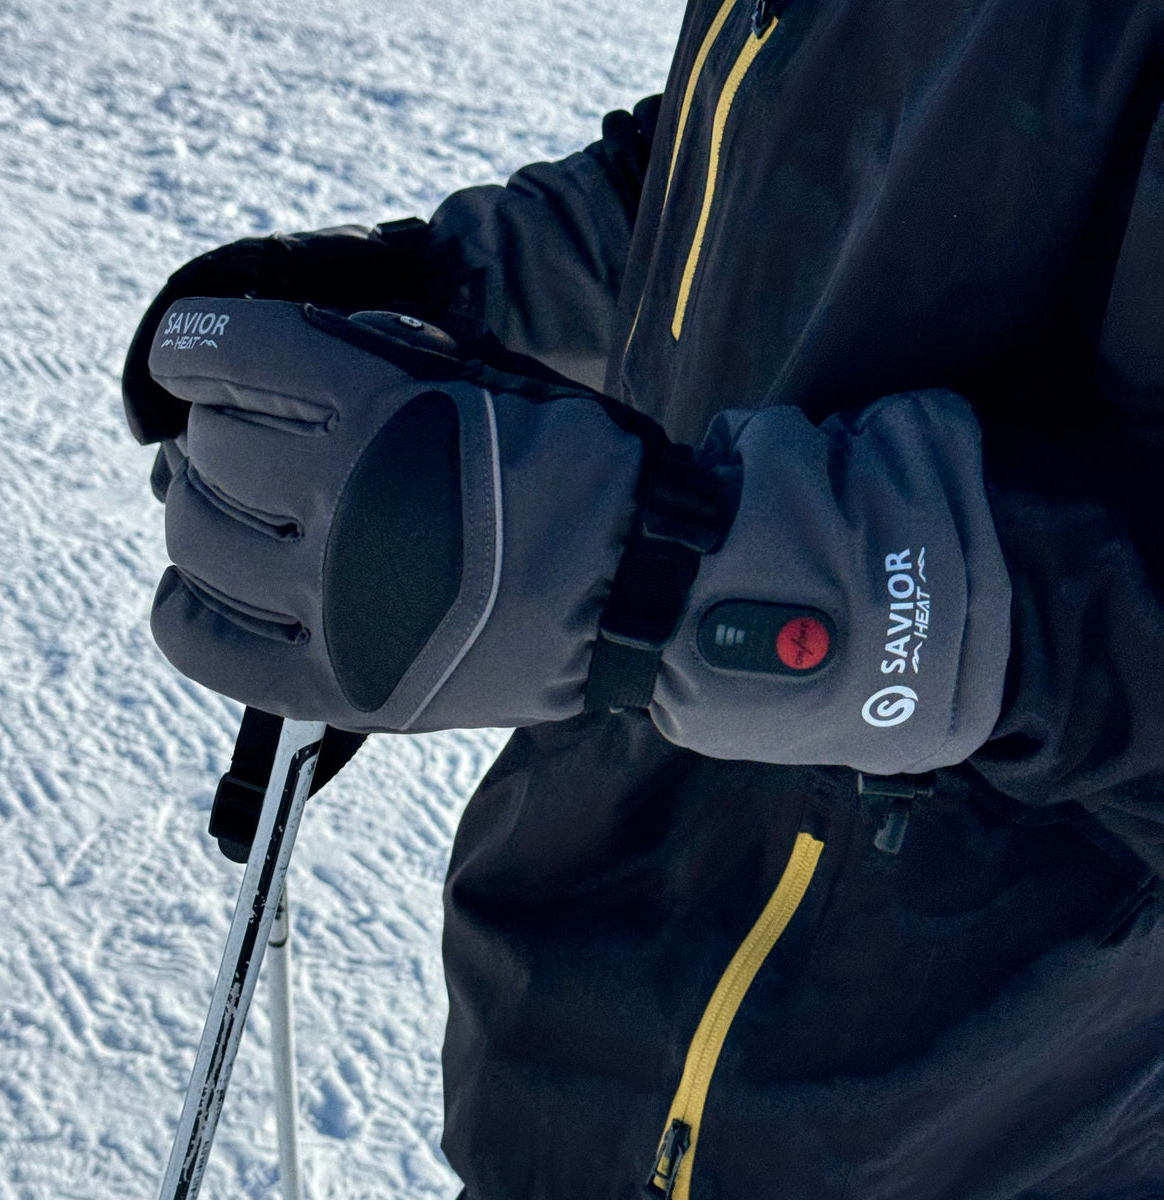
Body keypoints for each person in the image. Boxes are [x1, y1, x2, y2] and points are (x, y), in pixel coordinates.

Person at [122, 0, 1164, 1196]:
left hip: (945, 1109)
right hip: (576, 1018)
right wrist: (444, 289)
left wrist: (660, 575)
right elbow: (754, 156)